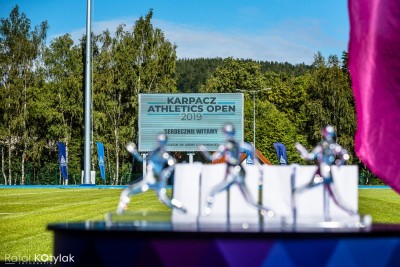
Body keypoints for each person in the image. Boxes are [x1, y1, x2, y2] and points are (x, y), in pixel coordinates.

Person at [199, 123, 274, 217]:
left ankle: (206, 212)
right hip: (239, 172)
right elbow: (251, 149)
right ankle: (267, 211)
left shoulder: (226, 146)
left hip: (233, 173)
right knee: (249, 200)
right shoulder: (237, 144)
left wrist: (203, 151)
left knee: (212, 192)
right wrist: (258, 166)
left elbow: (212, 158)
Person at [294, 125, 358, 221]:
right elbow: (345, 155)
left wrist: (302, 150)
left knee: (335, 198)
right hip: (323, 172)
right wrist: (340, 162)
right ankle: (351, 213)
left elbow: (310, 156)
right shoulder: (331, 145)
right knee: (336, 198)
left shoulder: (326, 145)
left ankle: (352, 213)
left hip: (324, 173)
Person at [116, 133, 186, 214]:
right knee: (126, 192)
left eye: (163, 142)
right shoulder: (154, 152)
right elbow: (143, 161)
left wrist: (166, 173)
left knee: (166, 201)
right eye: (160, 141)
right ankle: (120, 213)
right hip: (148, 181)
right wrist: (134, 152)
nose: (161, 143)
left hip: (158, 183)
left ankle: (182, 209)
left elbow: (172, 164)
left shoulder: (165, 154)